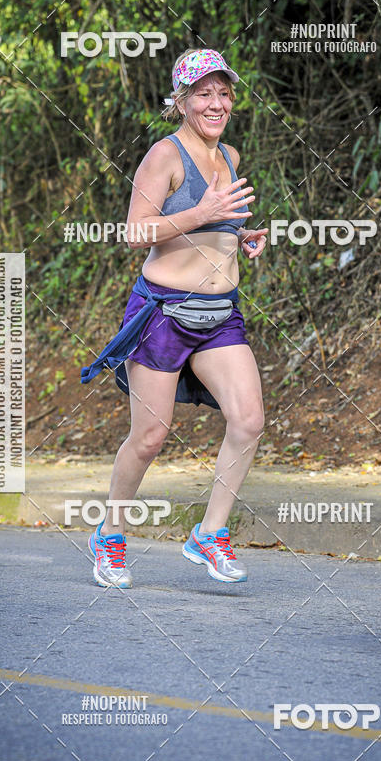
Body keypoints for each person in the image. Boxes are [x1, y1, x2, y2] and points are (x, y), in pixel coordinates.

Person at [81, 47, 268, 588]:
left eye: (224, 93)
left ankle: (209, 533)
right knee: (149, 437)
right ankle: (110, 535)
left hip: (220, 315)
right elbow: (136, 231)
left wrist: (240, 235)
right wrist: (201, 213)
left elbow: (215, 227)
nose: (216, 103)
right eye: (204, 94)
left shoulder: (230, 155)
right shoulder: (164, 156)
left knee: (249, 420)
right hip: (163, 313)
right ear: (182, 101)